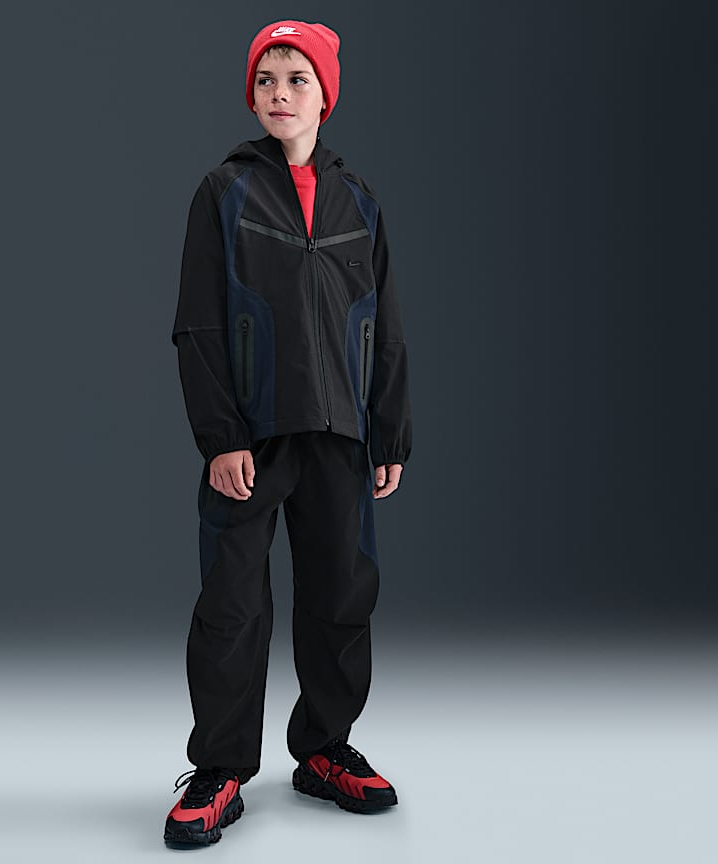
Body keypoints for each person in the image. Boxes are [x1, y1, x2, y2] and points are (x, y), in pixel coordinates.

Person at [164, 19, 413, 846]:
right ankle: (221, 768)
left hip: (341, 432)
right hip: (253, 435)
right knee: (232, 603)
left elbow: (386, 323)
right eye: (265, 79)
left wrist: (390, 433)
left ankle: (325, 749)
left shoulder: (360, 199)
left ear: (325, 96)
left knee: (342, 595)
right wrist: (220, 436)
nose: (279, 93)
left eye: (296, 79)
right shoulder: (224, 191)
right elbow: (198, 322)